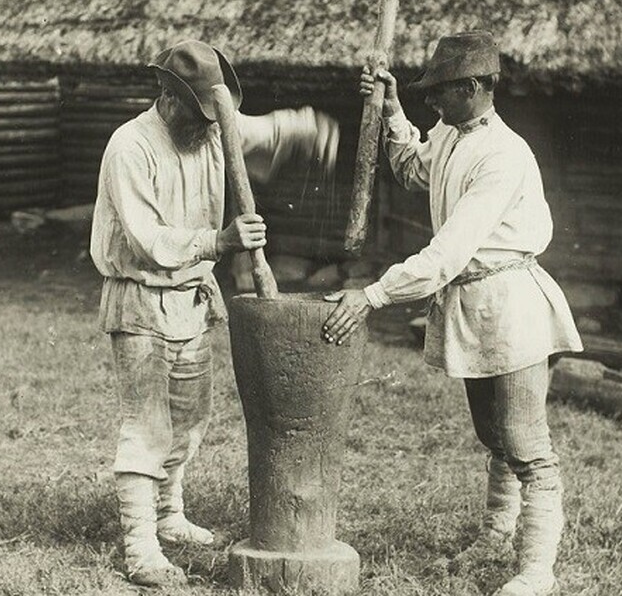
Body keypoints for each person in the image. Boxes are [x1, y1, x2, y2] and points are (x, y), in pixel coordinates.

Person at [323, 31, 582, 596]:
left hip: (510, 305)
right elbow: (416, 170)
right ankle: (496, 532)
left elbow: (446, 254)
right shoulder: (449, 131)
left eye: (440, 91)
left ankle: (538, 571)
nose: (431, 101)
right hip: (472, 302)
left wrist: (372, 295)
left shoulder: (503, 154)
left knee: (526, 444)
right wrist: (392, 111)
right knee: (492, 435)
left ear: (473, 87)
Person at [90, 39, 339, 587]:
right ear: (170, 99)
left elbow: (259, 130)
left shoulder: (210, 126)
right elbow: (148, 239)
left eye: (215, 119)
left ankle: (169, 513)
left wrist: (308, 126)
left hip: (193, 299)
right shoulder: (131, 147)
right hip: (142, 297)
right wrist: (219, 240)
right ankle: (139, 547)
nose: (211, 129)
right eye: (202, 117)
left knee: (189, 418)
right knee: (147, 423)